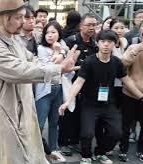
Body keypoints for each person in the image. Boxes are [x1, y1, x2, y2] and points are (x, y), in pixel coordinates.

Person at [0, 0, 79, 164]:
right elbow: (19, 70)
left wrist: (56, 61)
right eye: (18, 18)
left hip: (22, 112)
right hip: (4, 117)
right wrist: (58, 69)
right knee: (6, 159)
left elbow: (31, 60)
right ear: (5, 18)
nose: (22, 22)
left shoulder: (13, 39)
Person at [59, 30, 143, 164]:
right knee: (87, 133)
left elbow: (127, 80)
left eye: (109, 42)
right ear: (97, 43)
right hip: (89, 103)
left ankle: (100, 152)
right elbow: (79, 82)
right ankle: (86, 155)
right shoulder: (89, 61)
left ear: (115, 44)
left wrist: (141, 97)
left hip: (108, 104)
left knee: (116, 133)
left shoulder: (116, 62)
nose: (106, 45)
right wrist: (68, 101)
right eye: (102, 41)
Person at [59, 13, 98, 156]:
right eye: (89, 25)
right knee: (68, 113)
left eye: (94, 25)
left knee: (82, 113)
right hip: (71, 81)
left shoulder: (95, 44)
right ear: (81, 26)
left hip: (88, 84)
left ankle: (75, 140)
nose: (92, 28)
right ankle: (64, 142)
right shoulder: (70, 41)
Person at [35, 21, 67, 156]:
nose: (50, 35)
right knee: (40, 123)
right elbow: (52, 66)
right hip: (44, 89)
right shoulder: (41, 48)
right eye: (47, 32)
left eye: (53, 32)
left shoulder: (63, 46)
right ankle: (36, 150)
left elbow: (67, 65)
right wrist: (59, 52)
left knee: (54, 121)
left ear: (59, 34)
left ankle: (54, 148)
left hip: (58, 88)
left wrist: (62, 52)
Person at [119, 24, 143, 162]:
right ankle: (123, 149)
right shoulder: (134, 48)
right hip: (130, 92)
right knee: (125, 124)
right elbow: (123, 64)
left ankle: (141, 150)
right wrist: (137, 49)